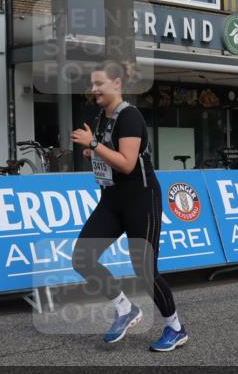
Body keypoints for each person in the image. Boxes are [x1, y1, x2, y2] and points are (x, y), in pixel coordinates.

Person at [70, 60, 185, 352]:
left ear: (117, 84)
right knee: (82, 258)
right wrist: (94, 153)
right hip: (112, 200)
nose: (94, 89)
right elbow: (111, 157)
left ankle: (175, 327)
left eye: (99, 84)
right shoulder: (101, 116)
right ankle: (125, 309)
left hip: (141, 199)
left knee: (145, 269)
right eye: (93, 83)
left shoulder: (129, 116)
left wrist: (95, 145)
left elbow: (127, 163)